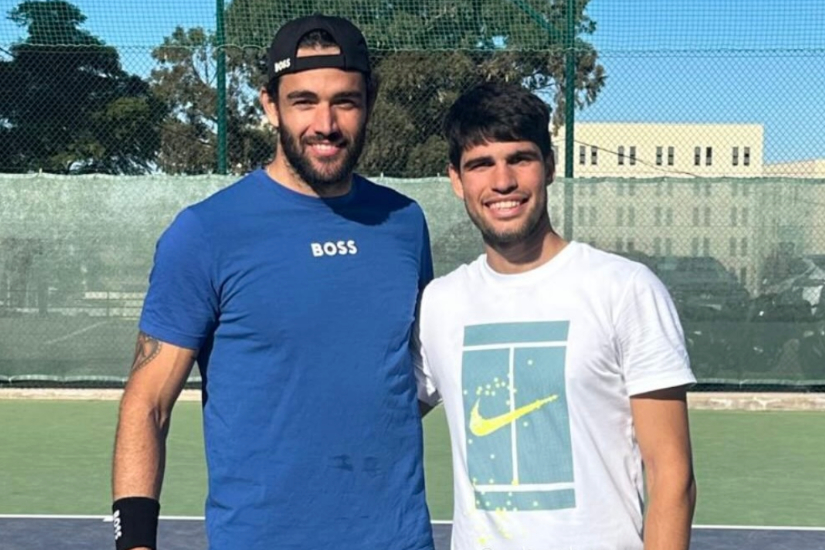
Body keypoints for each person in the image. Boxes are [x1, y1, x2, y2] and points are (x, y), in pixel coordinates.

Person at [111, 14, 435, 550]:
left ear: (369, 102)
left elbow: (405, 375)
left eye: (345, 101)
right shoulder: (206, 232)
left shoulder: (404, 223)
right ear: (269, 105)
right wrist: (134, 543)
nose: (325, 123)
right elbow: (147, 404)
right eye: (304, 100)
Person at [413, 81, 697, 550]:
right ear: (456, 180)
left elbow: (672, 474)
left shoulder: (624, 288)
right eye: (480, 164)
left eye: (519, 158)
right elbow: (377, 417)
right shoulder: (440, 303)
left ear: (549, 165)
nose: (502, 181)